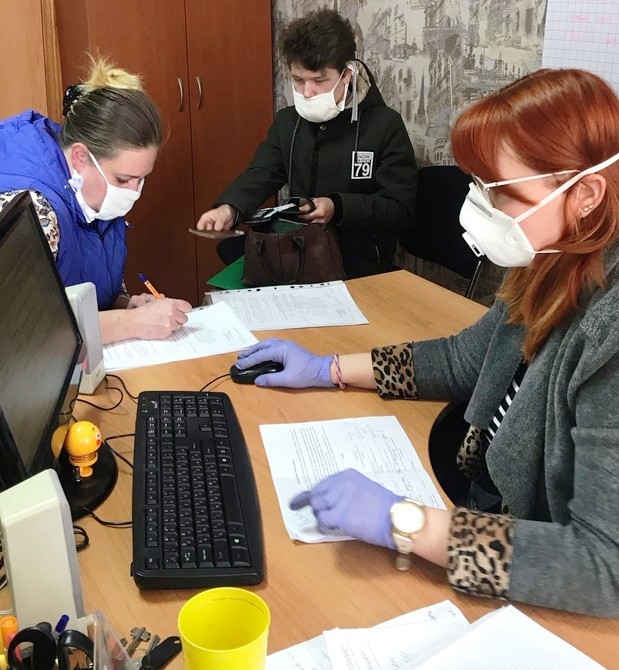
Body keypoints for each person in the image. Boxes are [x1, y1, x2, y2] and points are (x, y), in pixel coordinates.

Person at [230, 68, 619, 617]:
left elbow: (603, 568)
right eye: (478, 185)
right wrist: (329, 369)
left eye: (500, 193)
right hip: (493, 511)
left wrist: (408, 524)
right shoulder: (553, 261)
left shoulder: (609, 333)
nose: (480, 207)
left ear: (585, 195)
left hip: (546, 582)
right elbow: (465, 360)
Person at [196, 8, 417, 279]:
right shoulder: (288, 121)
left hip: (358, 260)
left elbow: (398, 209)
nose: (307, 92)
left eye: (319, 81)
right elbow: (263, 172)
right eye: (298, 80)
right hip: (296, 250)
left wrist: (337, 207)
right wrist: (230, 207)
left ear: (346, 75)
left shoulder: (384, 125)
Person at [0, 57, 191, 345]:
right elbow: (23, 330)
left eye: (141, 179)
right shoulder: (33, 210)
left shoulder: (94, 194)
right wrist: (131, 323)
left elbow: (90, 294)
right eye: (123, 180)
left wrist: (127, 306)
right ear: (80, 157)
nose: (134, 193)